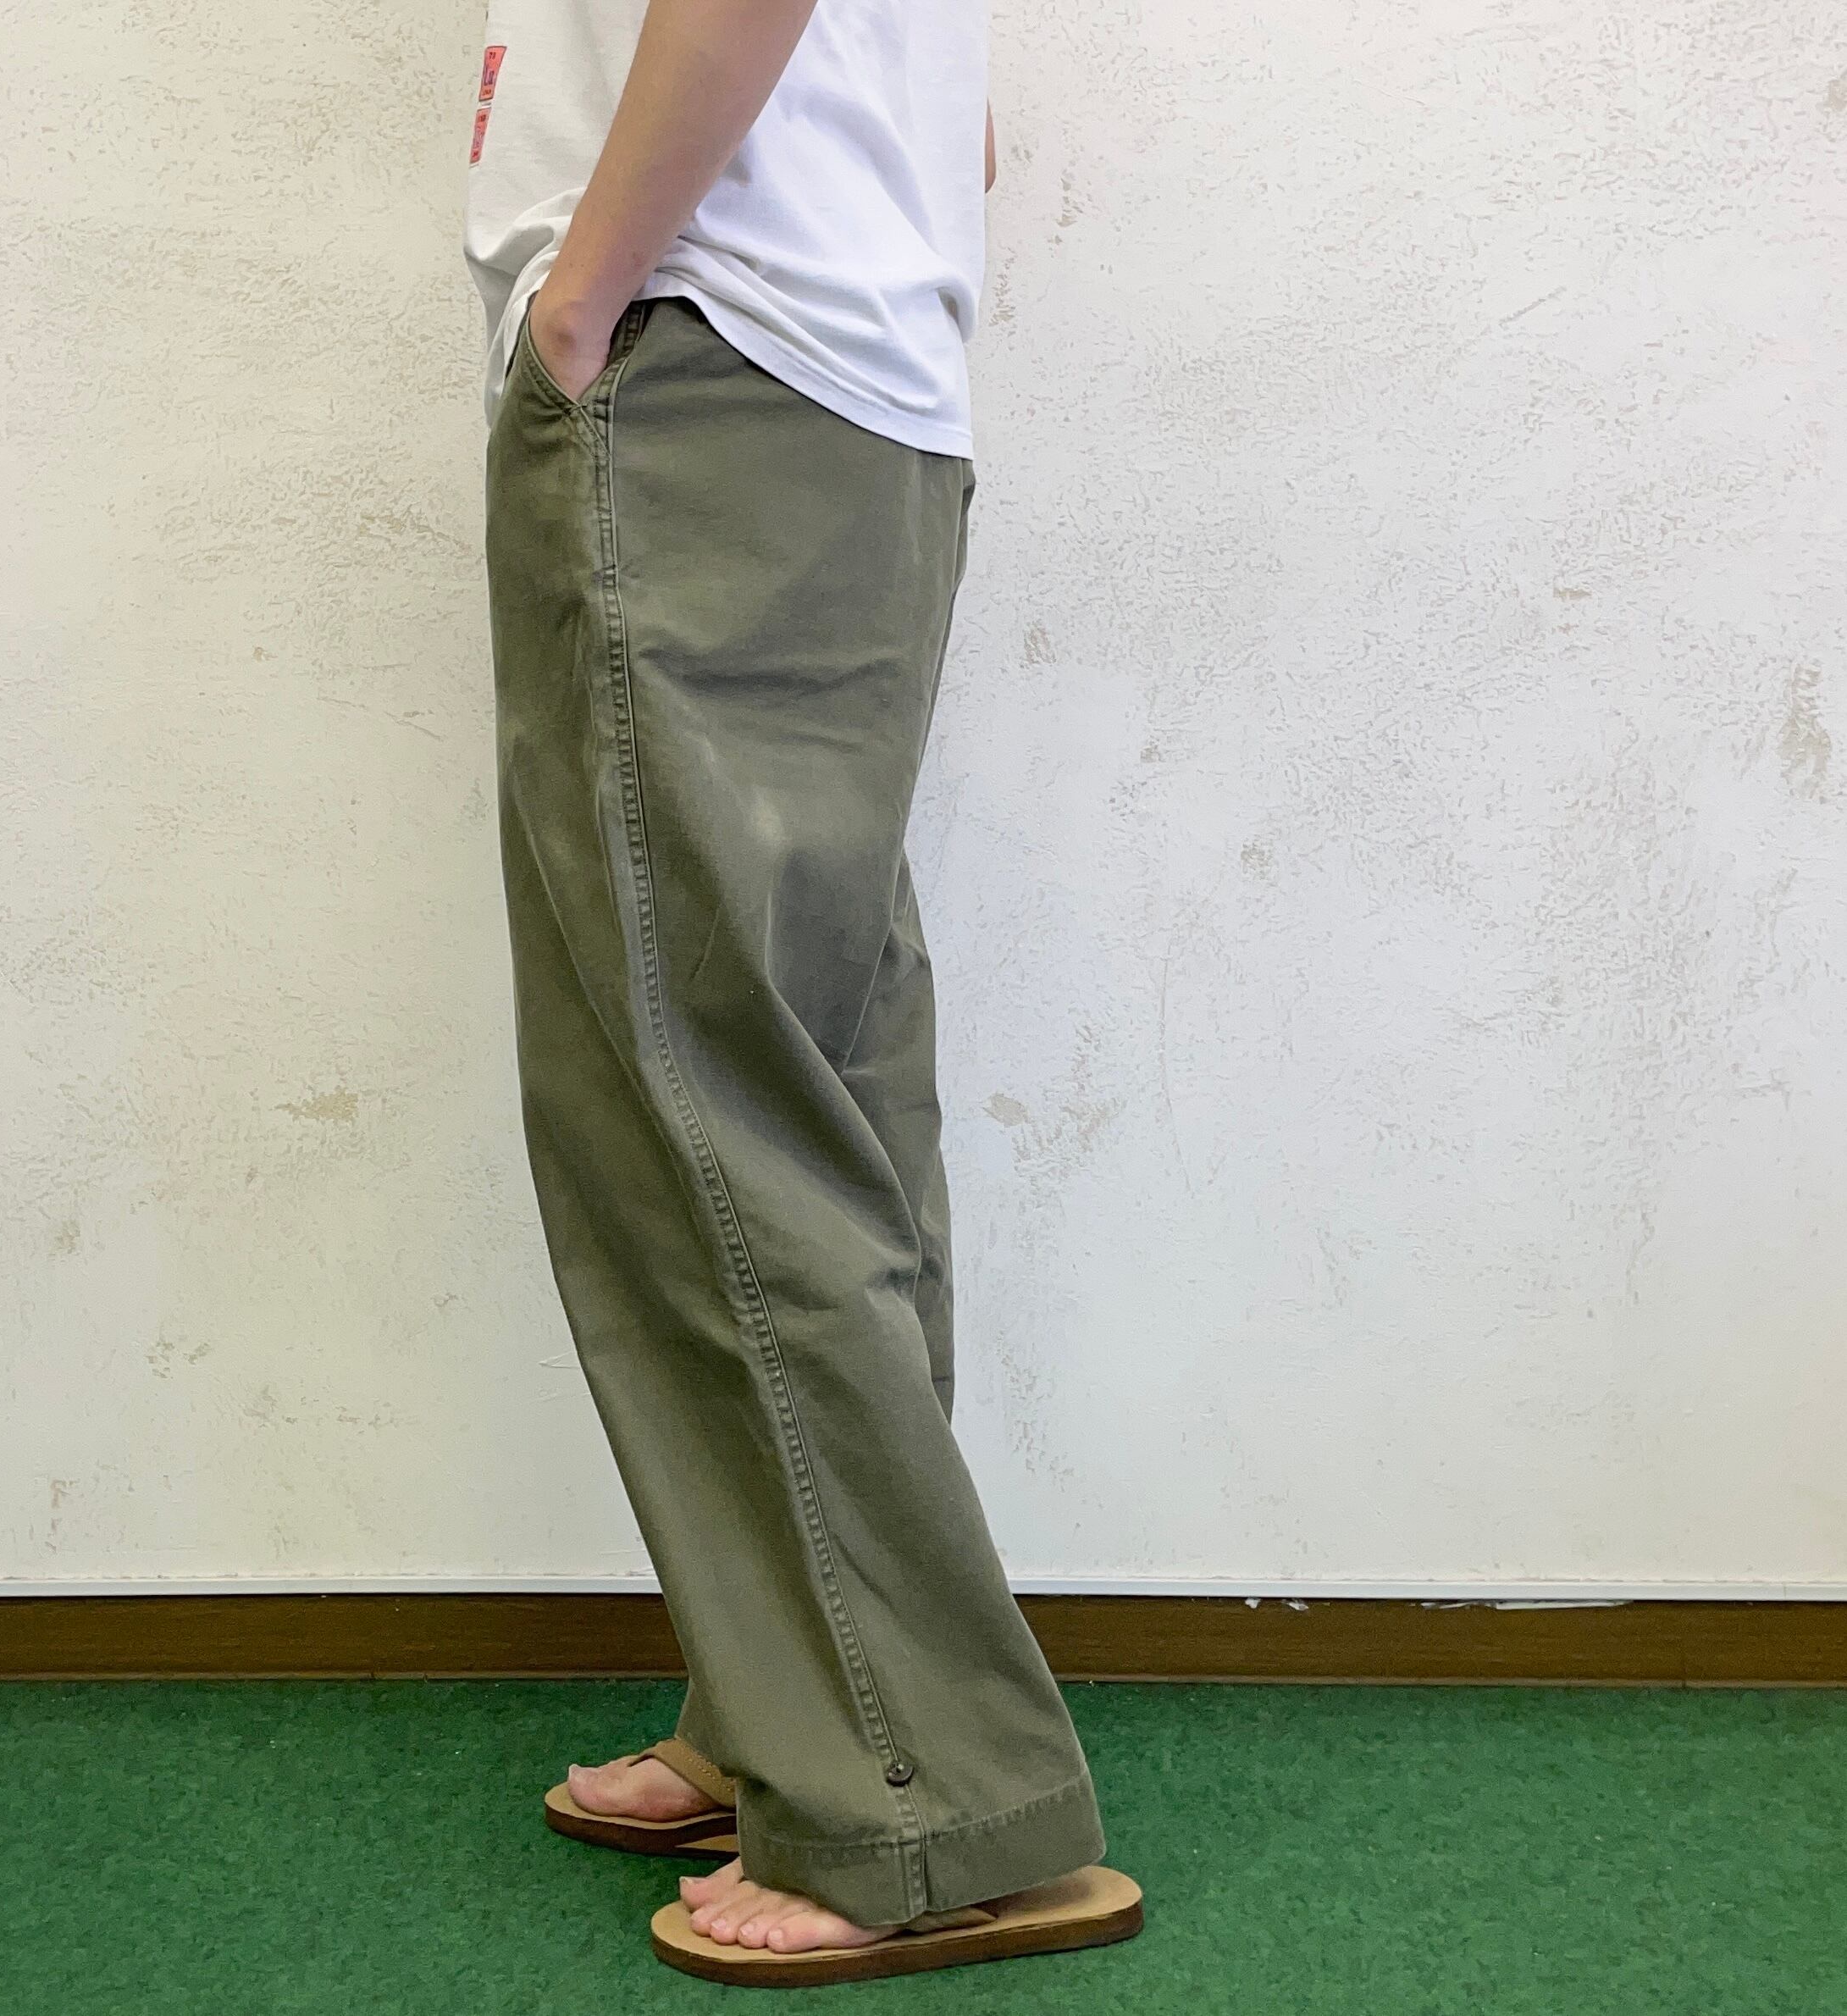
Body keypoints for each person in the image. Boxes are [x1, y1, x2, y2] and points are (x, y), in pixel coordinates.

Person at [462, 0, 1142, 1984]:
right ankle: (794, 1698)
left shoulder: (656, 330)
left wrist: (580, 302)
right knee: (814, 1084)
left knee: (693, 1110)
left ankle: (912, 1797)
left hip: (702, 373)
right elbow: (955, 122)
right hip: (851, 393)